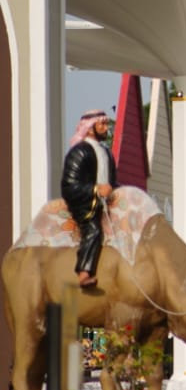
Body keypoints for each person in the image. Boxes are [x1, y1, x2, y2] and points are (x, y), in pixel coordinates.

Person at [61, 108, 116, 288]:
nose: (106, 128)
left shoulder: (107, 153)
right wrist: (95, 190)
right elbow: (69, 185)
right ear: (90, 128)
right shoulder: (79, 152)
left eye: (106, 124)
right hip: (86, 205)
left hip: (106, 203)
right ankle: (84, 272)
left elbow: (112, 182)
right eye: (102, 124)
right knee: (93, 230)